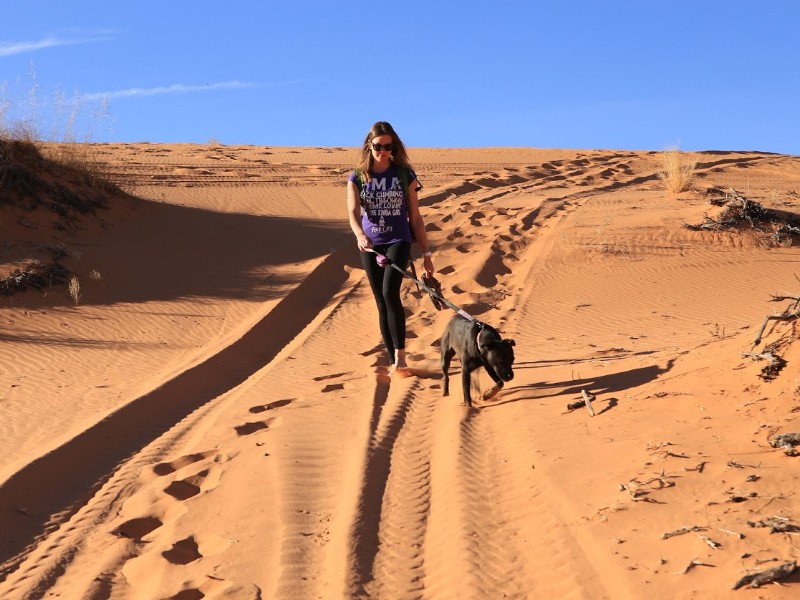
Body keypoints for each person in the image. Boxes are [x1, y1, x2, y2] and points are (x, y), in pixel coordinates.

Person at [346, 121, 435, 375]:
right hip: (371, 244)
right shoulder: (358, 177)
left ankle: (401, 357)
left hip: (399, 239)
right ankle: (392, 357)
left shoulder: (404, 174)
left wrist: (427, 256)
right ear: (369, 145)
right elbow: (352, 213)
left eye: (387, 146)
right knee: (381, 302)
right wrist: (360, 235)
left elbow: (416, 218)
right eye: (377, 146)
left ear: (393, 146)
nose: (382, 151)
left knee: (390, 292)